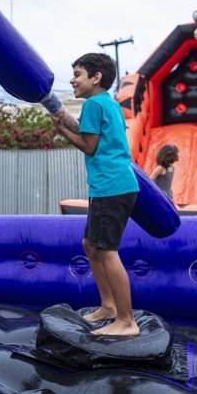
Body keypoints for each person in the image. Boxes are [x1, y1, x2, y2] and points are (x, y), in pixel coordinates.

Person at [52, 53, 140, 337]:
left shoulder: (92, 104)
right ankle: (108, 306)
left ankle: (126, 320)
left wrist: (61, 129)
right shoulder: (108, 104)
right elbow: (94, 136)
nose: (72, 79)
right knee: (90, 245)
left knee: (106, 250)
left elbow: (89, 146)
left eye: (77, 74)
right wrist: (68, 120)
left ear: (96, 77)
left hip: (110, 186)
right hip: (118, 185)